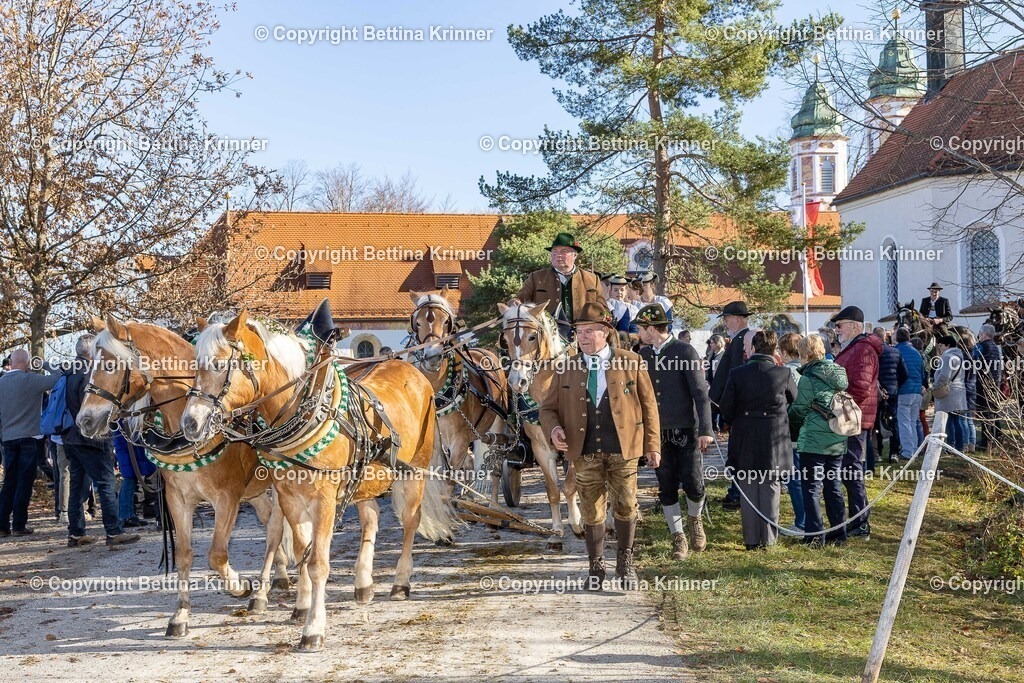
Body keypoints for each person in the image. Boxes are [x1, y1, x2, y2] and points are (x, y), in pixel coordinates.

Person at [540, 302, 660, 590]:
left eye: (590, 331)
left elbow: (649, 406)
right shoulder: (565, 367)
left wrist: (653, 445)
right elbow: (547, 409)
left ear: (605, 332)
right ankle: (595, 567)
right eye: (579, 331)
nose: (582, 337)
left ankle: (625, 563)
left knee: (626, 504)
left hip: (624, 448)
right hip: (584, 451)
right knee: (591, 511)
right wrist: (555, 428)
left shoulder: (631, 361)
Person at [635, 304, 714, 560]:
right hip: (656, 433)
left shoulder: (685, 351)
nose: (637, 332)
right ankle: (678, 538)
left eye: (640, 327)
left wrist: (706, 429)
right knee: (666, 485)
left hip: (686, 429)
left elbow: (700, 393)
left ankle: (695, 520)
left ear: (650, 327)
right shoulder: (643, 355)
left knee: (693, 482)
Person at [719, 330, 797, 550]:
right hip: (773, 436)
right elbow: (794, 397)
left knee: (748, 485)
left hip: (745, 435)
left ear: (753, 348)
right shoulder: (783, 373)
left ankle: (752, 540)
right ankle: (769, 539)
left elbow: (726, 407)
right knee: (771, 487)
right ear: (774, 350)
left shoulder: (737, 373)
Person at [63, 334, 141, 549]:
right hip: (92, 437)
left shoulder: (70, 372)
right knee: (106, 483)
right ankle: (114, 531)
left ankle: (76, 533)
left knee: (78, 487)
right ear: (91, 351)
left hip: (70, 436)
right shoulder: (90, 374)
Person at [788, 334, 849, 547]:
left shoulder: (808, 379)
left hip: (813, 440)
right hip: (836, 436)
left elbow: (799, 409)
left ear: (805, 354)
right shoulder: (838, 374)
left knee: (811, 488)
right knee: (833, 486)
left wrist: (791, 431)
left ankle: (815, 536)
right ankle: (838, 533)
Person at [830, 306, 882, 539]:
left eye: (839, 325)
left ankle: (860, 523)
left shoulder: (861, 349)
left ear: (854, 326)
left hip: (854, 418)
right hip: (852, 416)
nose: (836, 330)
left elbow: (859, 387)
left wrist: (837, 406)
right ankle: (856, 520)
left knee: (852, 470)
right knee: (849, 469)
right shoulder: (855, 347)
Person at [0, 349, 60, 536]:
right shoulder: (32, 380)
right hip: (29, 437)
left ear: (10, 362)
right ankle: (18, 525)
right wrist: (43, 364)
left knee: (9, 481)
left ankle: (2, 525)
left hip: (8, 437)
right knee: (24, 482)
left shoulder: (1, 382)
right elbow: (58, 376)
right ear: (26, 363)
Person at [508, 232, 603, 340]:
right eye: (554, 252)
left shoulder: (592, 279)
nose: (558, 255)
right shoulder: (536, 277)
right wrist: (514, 303)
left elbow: (602, 309)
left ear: (575, 255)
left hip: (584, 338)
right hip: (547, 338)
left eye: (564, 251)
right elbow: (519, 299)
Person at [709, 301, 753, 510]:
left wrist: (724, 408)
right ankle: (735, 491)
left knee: (738, 454)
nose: (725, 323)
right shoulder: (737, 340)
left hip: (737, 408)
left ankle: (737, 493)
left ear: (737, 319)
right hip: (735, 406)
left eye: (727, 319)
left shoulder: (741, 342)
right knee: (737, 453)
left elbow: (733, 377)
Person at [779, 332, 805, 533]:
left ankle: (802, 522)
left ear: (785, 352)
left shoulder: (787, 372)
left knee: (795, 478)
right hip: (810, 430)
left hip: (793, 430)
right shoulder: (807, 369)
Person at [874, 327, 906, 464]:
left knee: (877, 423)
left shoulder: (874, 353)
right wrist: (896, 385)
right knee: (893, 422)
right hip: (892, 391)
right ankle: (894, 452)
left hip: (878, 392)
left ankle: (878, 452)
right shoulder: (896, 352)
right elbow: (904, 373)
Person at [894, 327, 926, 462]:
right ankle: (914, 450)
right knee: (913, 421)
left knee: (904, 422)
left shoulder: (897, 351)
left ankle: (908, 452)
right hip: (917, 390)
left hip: (904, 390)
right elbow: (922, 372)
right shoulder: (917, 353)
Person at [933, 335, 968, 452]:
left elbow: (944, 376)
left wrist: (934, 386)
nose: (940, 348)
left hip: (949, 393)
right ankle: (960, 446)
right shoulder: (960, 356)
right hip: (959, 391)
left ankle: (950, 446)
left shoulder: (947, 357)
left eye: (941, 345)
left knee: (949, 421)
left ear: (947, 345)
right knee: (957, 420)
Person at [112, 432, 154, 527]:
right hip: (127, 448)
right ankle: (125, 515)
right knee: (129, 480)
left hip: (129, 447)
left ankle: (128, 515)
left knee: (131, 480)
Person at [973, 324, 1003, 449]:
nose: (979, 335)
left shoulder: (982, 346)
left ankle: (986, 441)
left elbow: (975, 361)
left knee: (986, 414)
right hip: (994, 384)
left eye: (980, 333)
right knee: (994, 412)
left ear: (984, 334)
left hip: (984, 384)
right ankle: (998, 437)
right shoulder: (996, 347)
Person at [705, 335, 726, 432]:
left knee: (720, 404)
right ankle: (713, 426)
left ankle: (722, 425)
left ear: (718, 343)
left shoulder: (724, 355)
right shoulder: (711, 354)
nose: (710, 344)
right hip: (711, 383)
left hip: (720, 384)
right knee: (712, 404)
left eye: (712, 342)